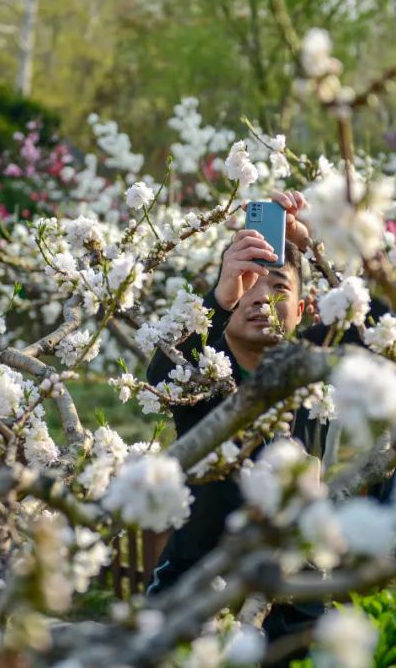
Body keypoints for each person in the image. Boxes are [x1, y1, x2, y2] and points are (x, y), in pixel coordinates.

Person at [145, 230, 326, 652]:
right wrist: (220, 299)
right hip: (197, 587)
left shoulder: (317, 380)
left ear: (300, 311)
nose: (262, 298)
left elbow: (377, 334)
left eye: (278, 286)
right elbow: (161, 373)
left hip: (294, 593)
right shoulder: (203, 376)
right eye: (249, 282)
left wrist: (317, 244)